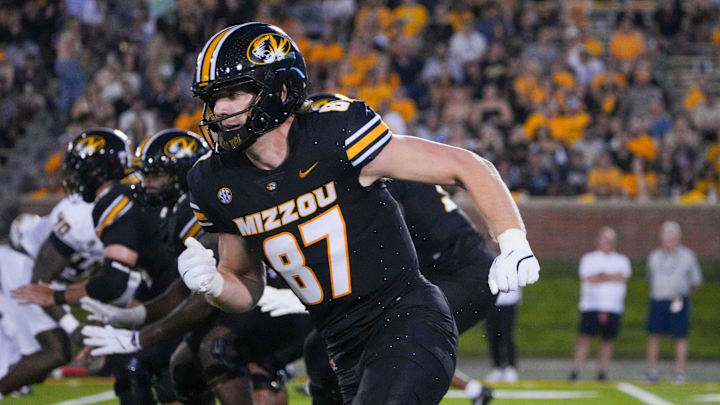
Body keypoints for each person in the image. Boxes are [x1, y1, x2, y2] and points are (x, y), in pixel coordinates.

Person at [178, 22, 539, 404]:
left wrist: (512, 240)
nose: (220, 109)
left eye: (234, 93)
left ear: (280, 90)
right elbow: (244, 283)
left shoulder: (333, 133)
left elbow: (467, 166)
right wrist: (215, 286)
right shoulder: (216, 180)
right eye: (213, 97)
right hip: (341, 345)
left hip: (408, 320)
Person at [82, 129, 313, 405]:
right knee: (184, 366)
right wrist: (136, 315)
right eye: (146, 175)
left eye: (156, 176)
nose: (147, 184)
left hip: (277, 299)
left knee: (216, 348)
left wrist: (140, 337)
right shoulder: (175, 212)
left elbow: (202, 300)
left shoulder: (196, 208)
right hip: (252, 299)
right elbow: (184, 289)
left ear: (180, 175)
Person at [12, 128, 181, 404]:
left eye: (80, 171)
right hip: (162, 290)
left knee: (140, 370)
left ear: (96, 172)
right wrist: (102, 324)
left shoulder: (103, 207)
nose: (74, 179)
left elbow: (113, 280)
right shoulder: (138, 191)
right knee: (170, 375)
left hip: (170, 289)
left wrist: (59, 297)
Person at [1, 194, 101, 397]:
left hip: (37, 274)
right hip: (23, 265)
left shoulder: (119, 230)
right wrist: (73, 327)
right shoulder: (81, 216)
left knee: (40, 362)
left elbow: (106, 286)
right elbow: (39, 282)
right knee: (56, 351)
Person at [568, 227, 631, 382]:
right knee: (585, 338)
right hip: (591, 306)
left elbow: (623, 277)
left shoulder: (621, 260)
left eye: (609, 240)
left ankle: (602, 371)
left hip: (613, 307)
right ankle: (576, 369)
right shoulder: (589, 259)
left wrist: (602, 275)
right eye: (604, 239)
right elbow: (590, 278)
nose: (606, 243)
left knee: (607, 340)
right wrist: (612, 276)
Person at [645, 221, 702, 384]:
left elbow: (696, 281)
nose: (669, 240)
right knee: (654, 334)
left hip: (678, 300)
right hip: (658, 299)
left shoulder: (687, 256)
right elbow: (650, 279)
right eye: (666, 236)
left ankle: (679, 372)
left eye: (672, 236)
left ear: (678, 238)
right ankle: (651, 370)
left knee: (680, 335)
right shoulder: (654, 256)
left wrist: (684, 294)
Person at [484, 289, 521, 383]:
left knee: (506, 334)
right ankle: (497, 368)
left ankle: (511, 367)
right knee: (492, 336)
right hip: (491, 301)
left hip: (509, 301)